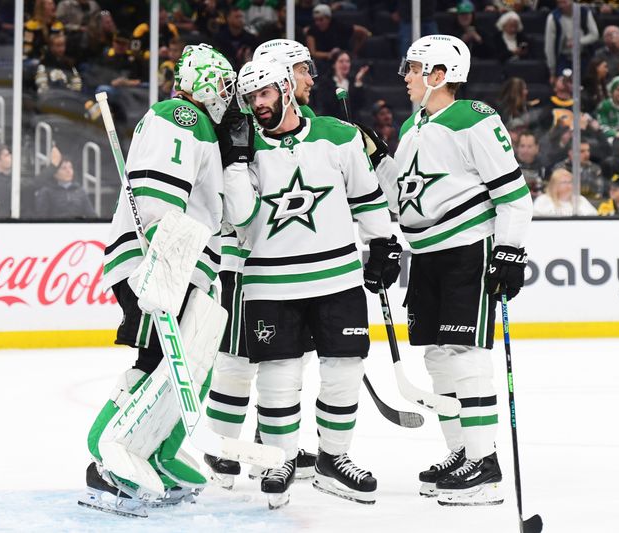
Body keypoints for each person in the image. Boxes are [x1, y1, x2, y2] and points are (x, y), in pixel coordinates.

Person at [232, 59, 398, 508]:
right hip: (269, 283)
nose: (257, 104)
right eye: (250, 98)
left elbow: (368, 197)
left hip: (337, 278)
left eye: (264, 93)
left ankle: (333, 458)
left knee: (344, 370)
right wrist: (235, 160)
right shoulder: (243, 147)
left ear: (287, 87)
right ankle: (281, 459)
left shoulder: (337, 135)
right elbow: (239, 216)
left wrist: (383, 243)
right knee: (279, 376)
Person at [82, 44, 240, 517]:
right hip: (158, 260)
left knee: (184, 366)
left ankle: (155, 451)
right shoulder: (181, 116)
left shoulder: (202, 130)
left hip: (181, 261)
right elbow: (156, 197)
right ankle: (109, 460)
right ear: (208, 85)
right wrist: (163, 264)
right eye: (226, 88)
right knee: (158, 360)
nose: (229, 99)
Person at [385, 34, 532, 506]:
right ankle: (462, 453)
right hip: (425, 255)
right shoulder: (412, 126)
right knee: (435, 355)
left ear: (440, 75)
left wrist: (509, 252)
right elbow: (399, 195)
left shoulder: (474, 119)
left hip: (468, 249)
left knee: (464, 353)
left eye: (413, 68)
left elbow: (513, 194)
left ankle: (485, 465)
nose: (405, 77)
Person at [205, 38, 320, 489]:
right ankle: (220, 448)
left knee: (288, 362)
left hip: (292, 266)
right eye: (303, 69)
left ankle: (268, 441)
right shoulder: (241, 124)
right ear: (283, 73)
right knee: (235, 358)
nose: (311, 78)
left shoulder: (306, 124)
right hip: (243, 263)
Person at [544, 0, 599, 79]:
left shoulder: (584, 12)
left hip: (584, 56)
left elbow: (594, 35)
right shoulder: (553, 17)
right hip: (564, 58)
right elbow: (549, 47)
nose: (562, 3)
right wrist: (552, 70)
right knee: (564, 85)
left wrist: (578, 41)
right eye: (560, 2)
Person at [305, 4, 369, 66]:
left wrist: (354, 52)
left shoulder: (339, 26)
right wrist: (329, 54)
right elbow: (313, 53)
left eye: (321, 20)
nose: (318, 23)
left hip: (341, 59)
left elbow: (364, 32)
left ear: (329, 18)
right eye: (316, 20)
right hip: (321, 63)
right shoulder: (312, 30)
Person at [315, 50, 367, 120]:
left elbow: (359, 105)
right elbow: (328, 104)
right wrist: (340, 83)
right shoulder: (326, 82)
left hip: (352, 122)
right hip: (333, 122)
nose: (345, 64)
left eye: (347, 61)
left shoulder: (353, 81)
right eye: (341, 61)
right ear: (334, 64)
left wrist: (358, 81)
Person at [532, 168, 597, 216]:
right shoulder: (543, 200)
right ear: (554, 185)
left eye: (571, 181)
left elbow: (594, 217)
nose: (569, 185)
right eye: (565, 182)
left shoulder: (580, 200)